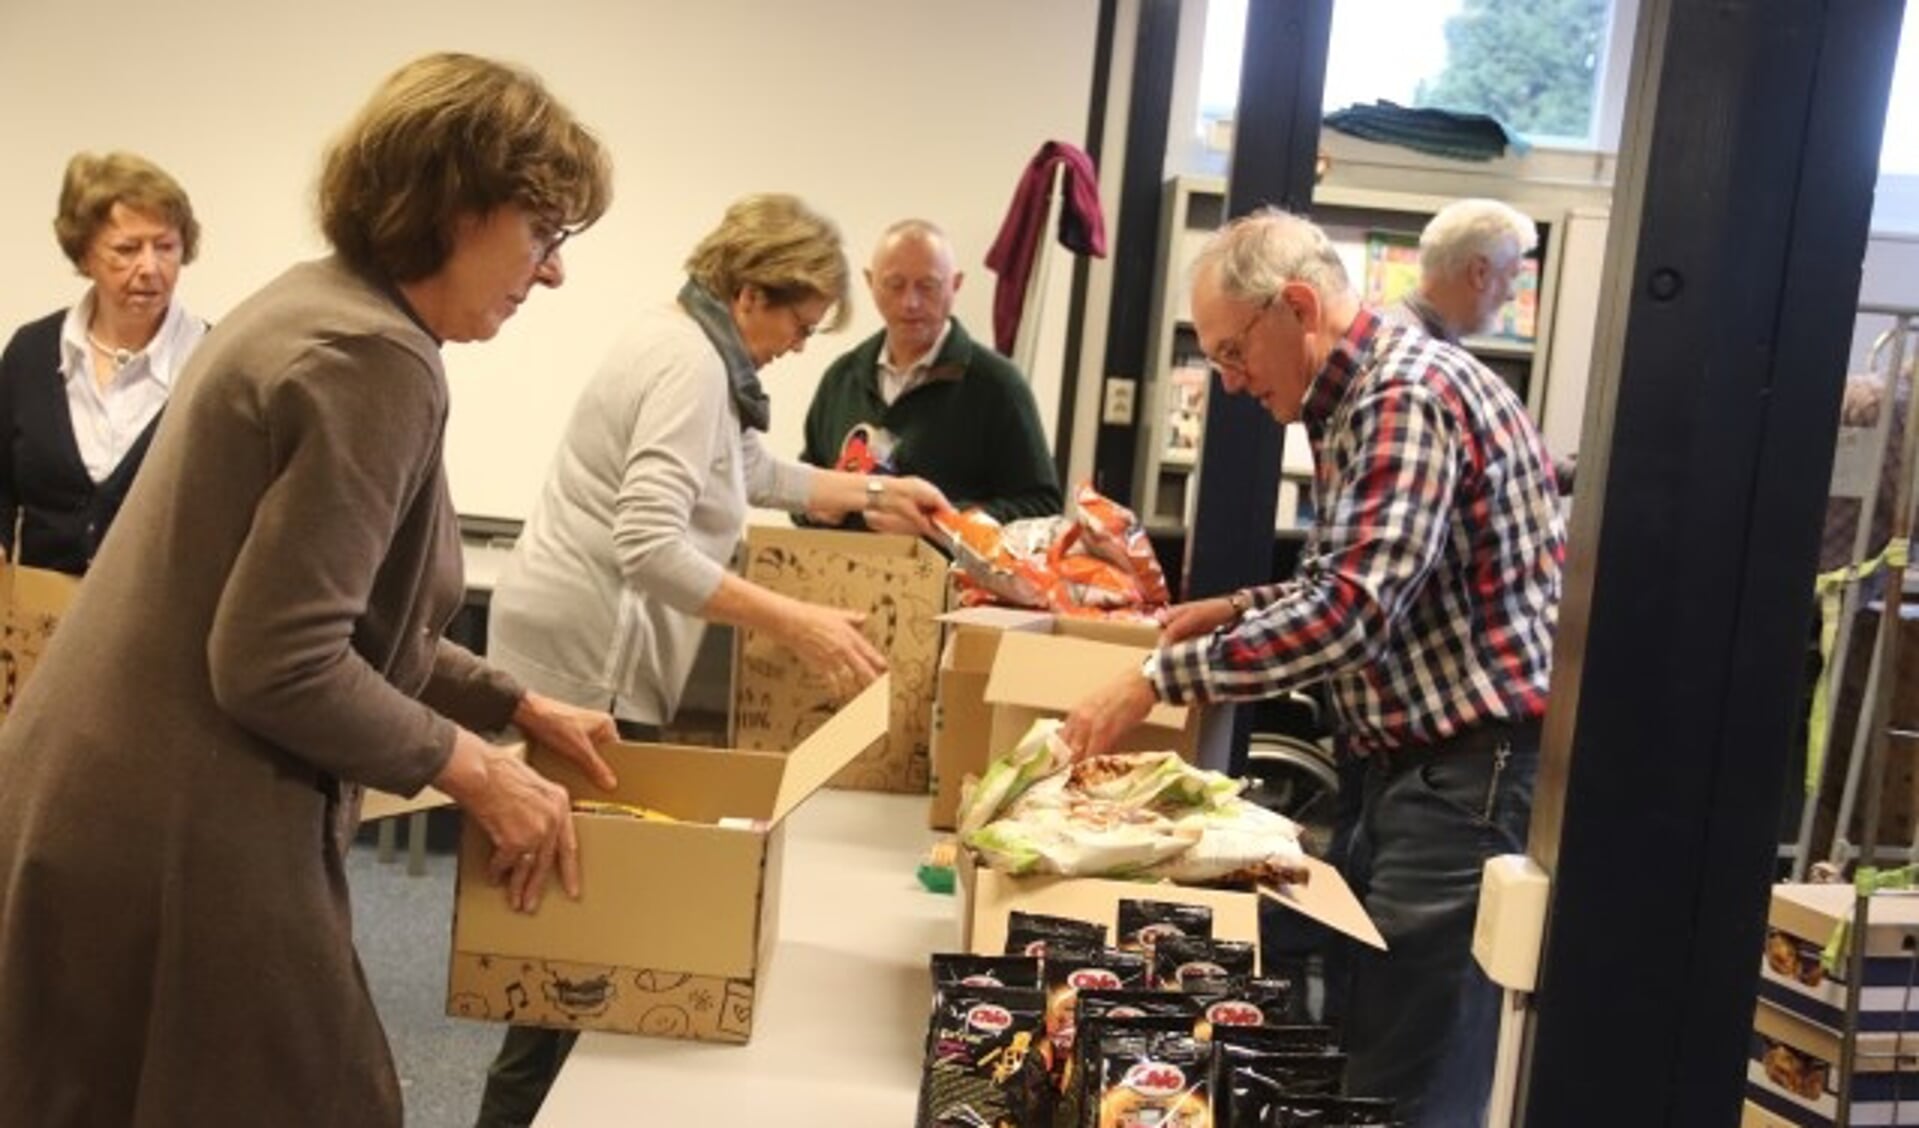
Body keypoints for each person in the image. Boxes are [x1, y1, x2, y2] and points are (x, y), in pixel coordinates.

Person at [0, 53, 620, 1126]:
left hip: (113, 801)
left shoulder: (318, 306)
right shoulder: (367, 357)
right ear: (457, 203)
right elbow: (277, 662)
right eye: (543, 231)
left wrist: (510, 704)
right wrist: (480, 772)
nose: (551, 271)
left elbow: (340, 613)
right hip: (181, 827)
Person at [1059, 208, 1564, 1127]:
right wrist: (1244, 607)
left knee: (1408, 1066)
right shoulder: (1359, 400)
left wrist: (1152, 682)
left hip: (1466, 779)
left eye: (1230, 351)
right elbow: (1363, 575)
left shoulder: (1400, 396)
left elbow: (1349, 620)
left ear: (1295, 306)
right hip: (1420, 771)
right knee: (1372, 1031)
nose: (1228, 380)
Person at [476, 193, 948, 1127]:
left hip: (582, 651)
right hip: (585, 665)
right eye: (799, 324)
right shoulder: (690, 366)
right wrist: (796, 622)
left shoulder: (692, 344)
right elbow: (647, 543)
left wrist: (872, 496)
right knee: (568, 947)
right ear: (749, 295)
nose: (800, 346)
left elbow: (748, 473)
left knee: (580, 931)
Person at [0, 151, 207, 574]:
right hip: (41, 629)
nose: (149, 267)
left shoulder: (215, 360)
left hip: (160, 630)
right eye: (126, 250)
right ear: (83, 256)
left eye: (165, 246)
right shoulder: (31, 352)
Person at [799, 218, 1061, 523]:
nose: (910, 302)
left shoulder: (998, 385)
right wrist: (813, 509)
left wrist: (937, 523)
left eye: (928, 286)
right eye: (894, 285)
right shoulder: (843, 378)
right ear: (871, 283)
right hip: (844, 568)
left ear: (956, 285)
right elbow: (807, 480)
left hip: (946, 571)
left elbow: (1041, 506)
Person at [1391, 197, 1576, 493]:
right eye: (1512, 277)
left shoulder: (1426, 343)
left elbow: (1508, 460)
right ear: (1479, 272)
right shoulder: (1412, 355)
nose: (1513, 295)